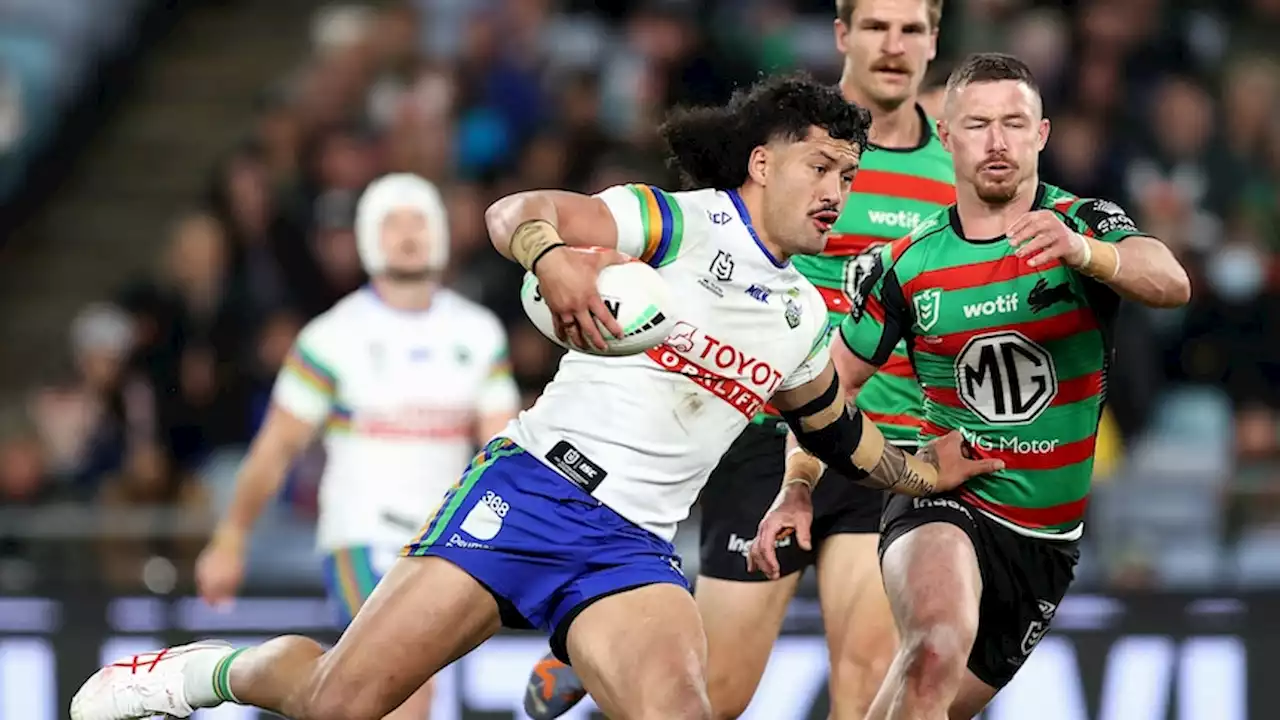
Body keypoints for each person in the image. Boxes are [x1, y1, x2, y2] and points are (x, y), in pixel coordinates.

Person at [69, 73, 1001, 720]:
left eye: (849, 174)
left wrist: (924, 473)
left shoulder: (803, 314)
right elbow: (516, 211)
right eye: (822, 168)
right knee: (341, 702)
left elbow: (837, 432)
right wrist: (552, 257)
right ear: (762, 165)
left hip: (631, 550)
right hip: (529, 495)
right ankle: (203, 674)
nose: (838, 190)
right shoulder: (673, 223)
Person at [526, 3, 954, 717]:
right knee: (718, 695)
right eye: (876, 26)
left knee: (869, 681)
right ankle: (599, 644)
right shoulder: (796, 138)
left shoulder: (953, 169)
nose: (894, 45)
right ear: (842, 34)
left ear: (935, 40)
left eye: (912, 29)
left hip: (880, 437)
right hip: (766, 431)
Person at [749, 53, 1191, 720]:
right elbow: (830, 386)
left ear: (1041, 135)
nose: (997, 141)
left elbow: (1168, 280)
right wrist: (797, 488)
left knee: (927, 702)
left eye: (1014, 123)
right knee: (933, 646)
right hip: (944, 498)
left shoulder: (1084, 223)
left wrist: (1085, 255)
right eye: (978, 124)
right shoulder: (909, 265)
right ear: (948, 136)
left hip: (1044, 540)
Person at [190, 172, 521, 720]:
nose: (408, 234)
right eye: (393, 222)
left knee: (384, 694)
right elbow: (276, 448)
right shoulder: (332, 337)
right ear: (368, 237)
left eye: (419, 220)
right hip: (362, 538)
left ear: (440, 232)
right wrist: (230, 538)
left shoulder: (479, 332)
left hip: (450, 539)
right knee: (405, 685)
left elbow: (502, 446)